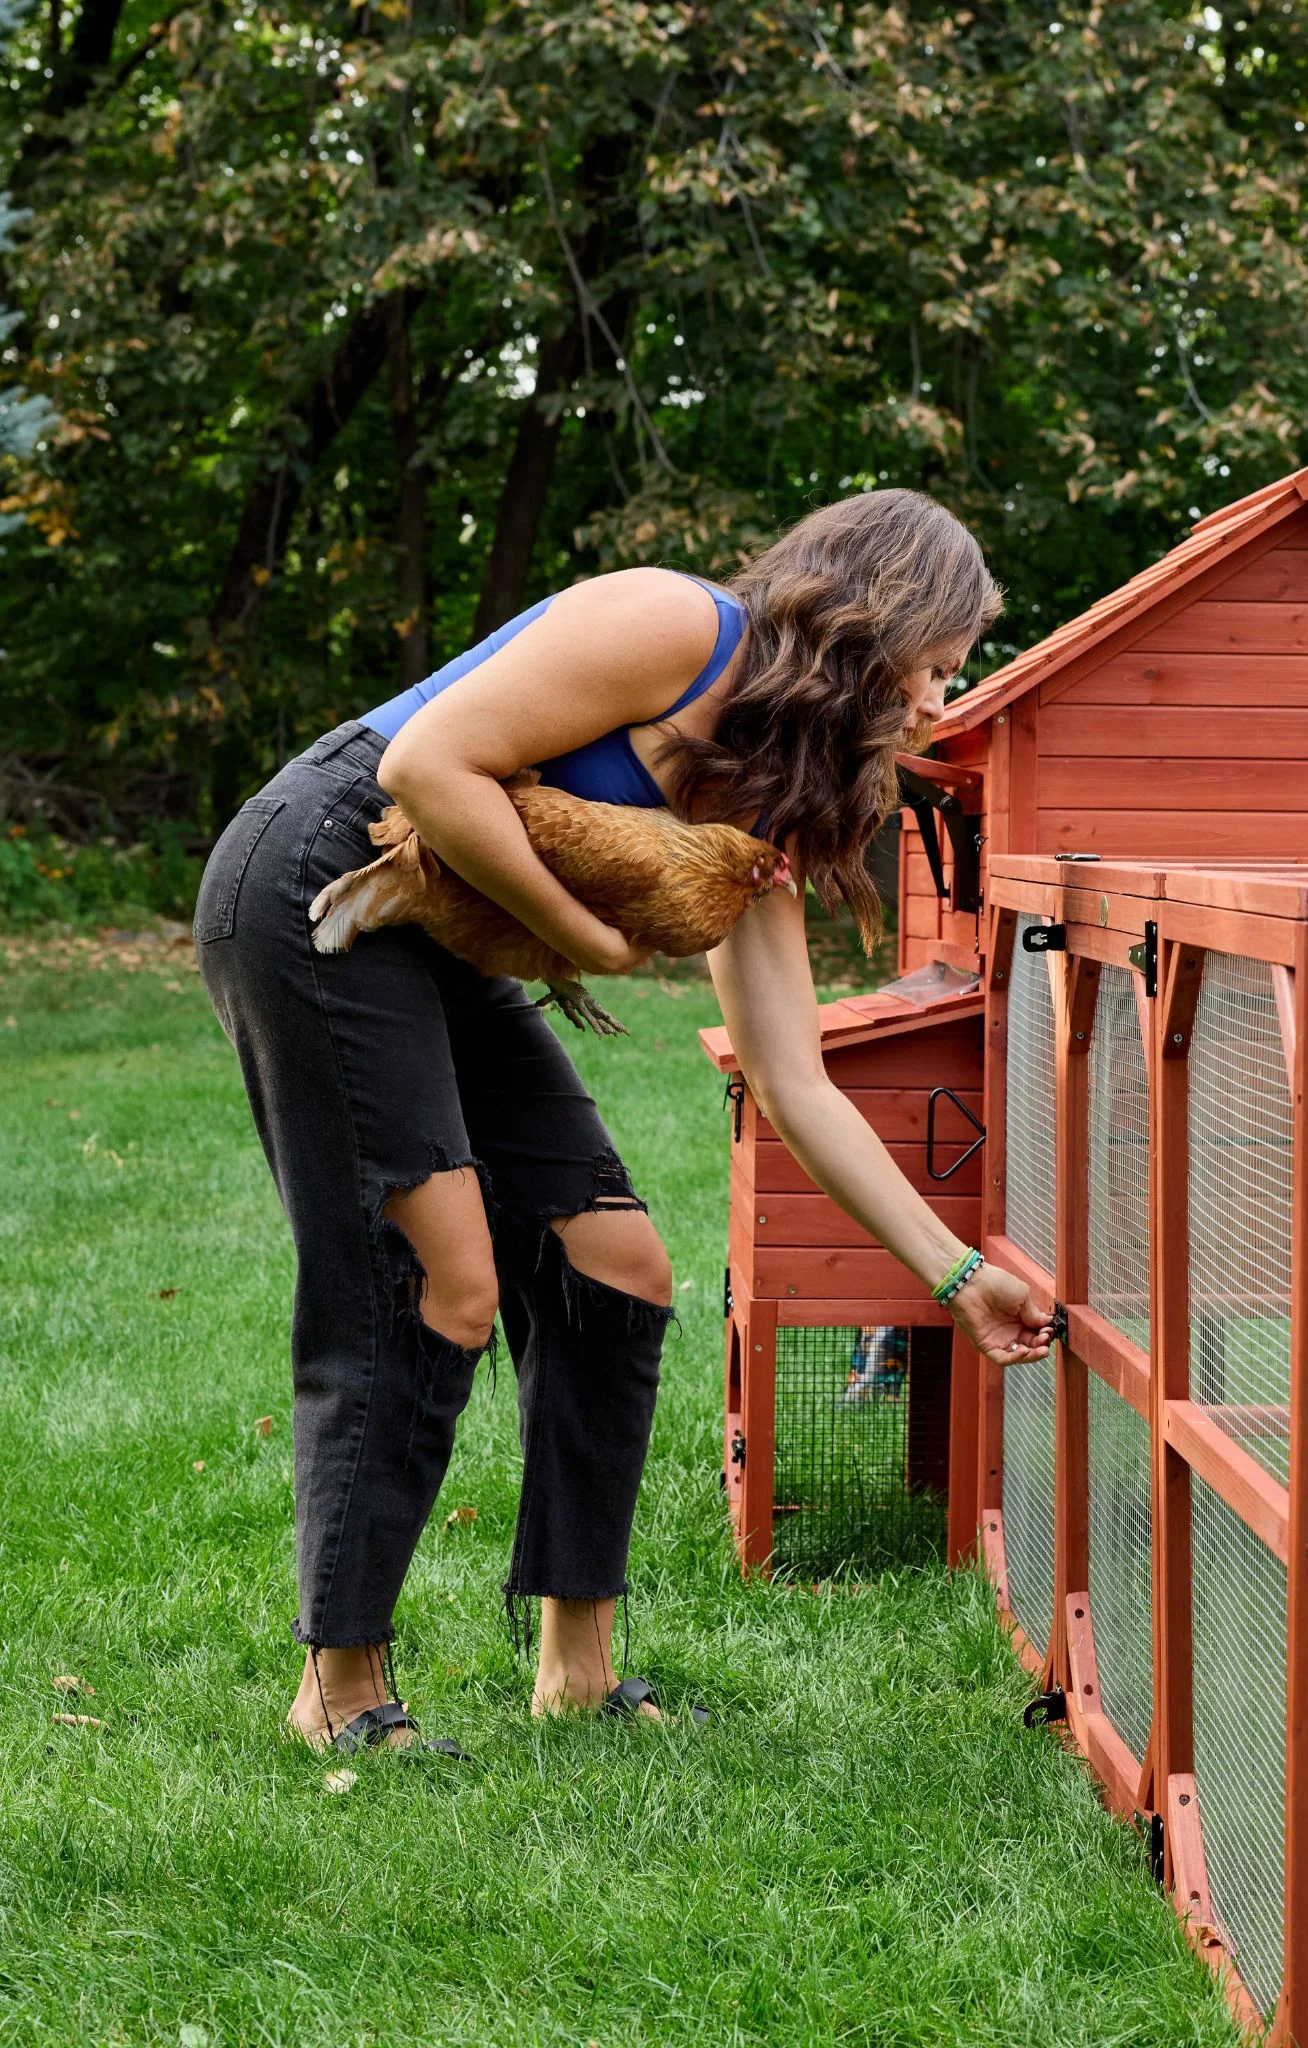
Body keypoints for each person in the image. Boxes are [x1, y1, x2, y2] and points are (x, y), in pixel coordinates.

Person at [195, 490, 1054, 1753]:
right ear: (873, 621)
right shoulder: (676, 625)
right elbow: (423, 767)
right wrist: (588, 934)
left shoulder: (762, 799)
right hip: (326, 868)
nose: (937, 702)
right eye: (933, 667)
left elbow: (794, 1076)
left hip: (450, 926)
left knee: (619, 1264)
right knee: (440, 1276)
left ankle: (580, 1670)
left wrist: (956, 1274)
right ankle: (340, 1686)